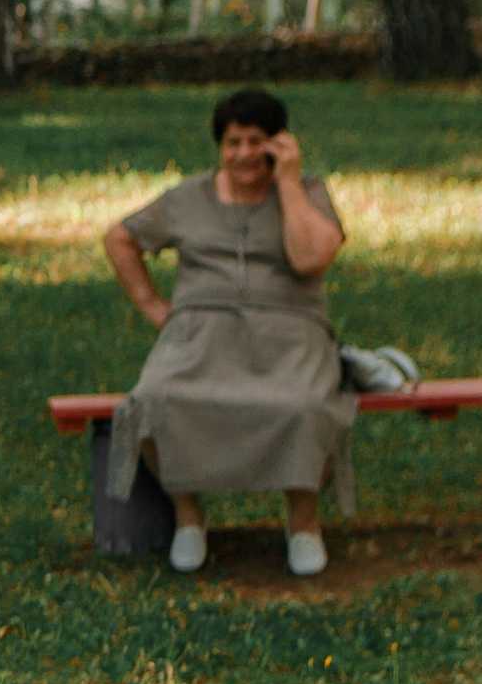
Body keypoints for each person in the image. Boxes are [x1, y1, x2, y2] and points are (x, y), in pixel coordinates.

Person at [102, 87, 354, 578]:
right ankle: (189, 516)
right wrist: (155, 305)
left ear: (278, 144)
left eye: (255, 141)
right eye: (232, 141)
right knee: (154, 399)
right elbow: (120, 238)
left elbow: (310, 259)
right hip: (201, 334)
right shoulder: (186, 198)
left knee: (305, 406)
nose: (243, 154)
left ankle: (302, 523)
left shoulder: (308, 191)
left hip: (290, 332)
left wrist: (287, 181)